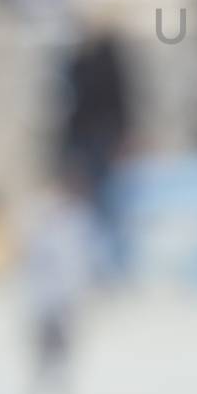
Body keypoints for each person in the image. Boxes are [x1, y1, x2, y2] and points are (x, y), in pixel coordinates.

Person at [57, 23, 135, 273]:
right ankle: (94, 263)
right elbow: (69, 107)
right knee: (89, 207)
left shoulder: (108, 58)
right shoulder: (76, 61)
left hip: (104, 138)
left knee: (111, 203)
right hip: (87, 140)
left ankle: (113, 263)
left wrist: (123, 135)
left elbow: (120, 98)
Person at [21, 168, 97, 394]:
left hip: (67, 296)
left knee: (66, 345)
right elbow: (32, 259)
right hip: (46, 296)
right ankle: (40, 387)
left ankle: (62, 387)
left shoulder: (79, 221)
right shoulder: (45, 222)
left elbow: (86, 259)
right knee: (44, 346)